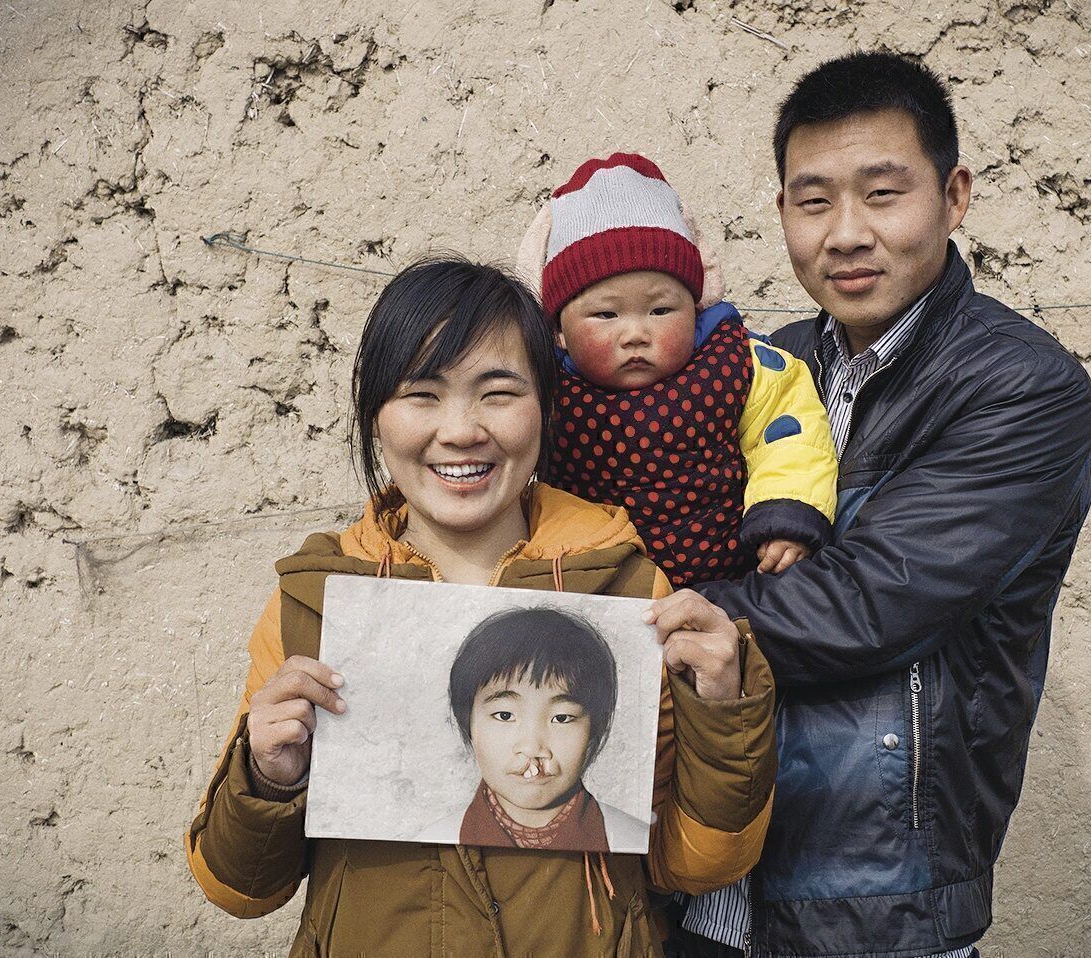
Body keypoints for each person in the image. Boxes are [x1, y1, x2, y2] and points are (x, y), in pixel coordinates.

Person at [184, 256, 777, 957]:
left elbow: (700, 863)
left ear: (546, 409)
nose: (461, 430)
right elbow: (240, 890)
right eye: (422, 396)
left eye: (498, 393)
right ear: (376, 415)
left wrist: (724, 708)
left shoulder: (626, 591)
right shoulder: (316, 599)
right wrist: (268, 778)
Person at [669, 53, 1091, 958]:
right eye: (813, 200)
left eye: (883, 193)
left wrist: (630, 616)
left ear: (954, 196)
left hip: (873, 904)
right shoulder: (759, 368)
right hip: (709, 883)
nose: (846, 233)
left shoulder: (1022, 388)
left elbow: (863, 606)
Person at [517, 153, 838, 587]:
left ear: (696, 305)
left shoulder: (738, 362)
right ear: (558, 330)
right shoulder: (542, 388)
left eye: (661, 309)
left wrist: (786, 510)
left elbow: (789, 435)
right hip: (593, 586)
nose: (635, 333)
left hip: (729, 583)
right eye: (605, 315)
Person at [413, 606, 647, 853]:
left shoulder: (633, 841)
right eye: (505, 715)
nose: (533, 747)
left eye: (562, 718)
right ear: (468, 723)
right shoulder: (431, 843)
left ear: (594, 730)